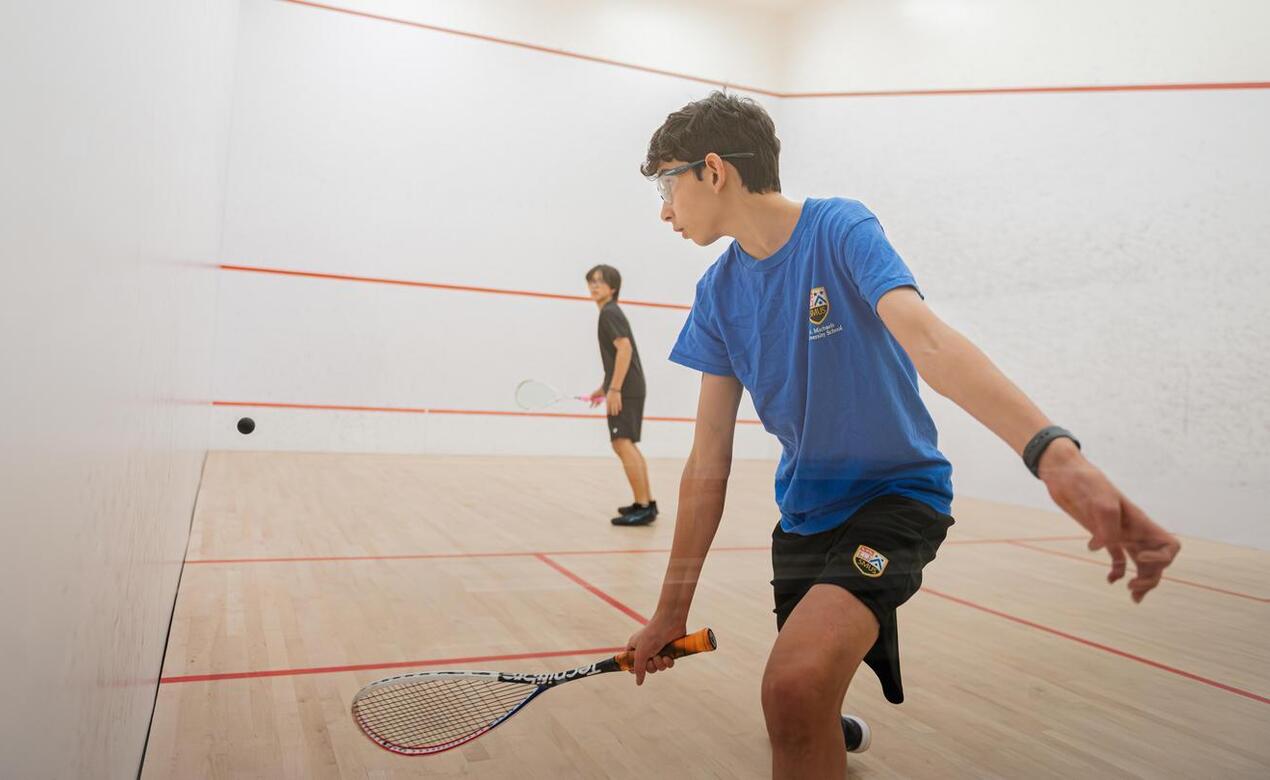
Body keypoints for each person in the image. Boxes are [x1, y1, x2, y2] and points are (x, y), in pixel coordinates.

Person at [621, 92, 1181, 778]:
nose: (663, 208)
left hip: (895, 500)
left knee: (791, 690)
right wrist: (668, 613)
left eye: (665, 183)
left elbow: (930, 342)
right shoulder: (718, 295)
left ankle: (822, 714)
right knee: (803, 707)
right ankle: (832, 722)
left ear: (713, 171)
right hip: (803, 519)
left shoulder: (841, 228)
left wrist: (1053, 453)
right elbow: (707, 463)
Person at [586, 264, 657, 526]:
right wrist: (604, 388)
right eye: (591, 281)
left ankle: (644, 506)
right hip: (629, 386)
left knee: (622, 443)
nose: (594, 286)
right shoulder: (609, 312)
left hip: (627, 388)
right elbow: (618, 355)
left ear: (613, 288)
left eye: (600, 282)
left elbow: (624, 350)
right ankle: (645, 503)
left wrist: (614, 389)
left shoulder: (609, 313)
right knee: (625, 443)